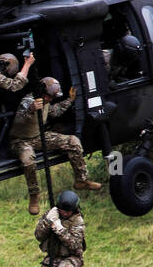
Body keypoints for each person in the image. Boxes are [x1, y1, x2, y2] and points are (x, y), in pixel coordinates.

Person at [8, 77, 102, 214]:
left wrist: (70, 100)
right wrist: (31, 109)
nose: (50, 99)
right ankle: (34, 194)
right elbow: (19, 118)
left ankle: (81, 180)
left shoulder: (46, 102)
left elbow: (54, 111)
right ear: (43, 92)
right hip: (20, 140)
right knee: (28, 159)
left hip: (38, 137)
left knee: (73, 141)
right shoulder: (29, 101)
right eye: (49, 97)